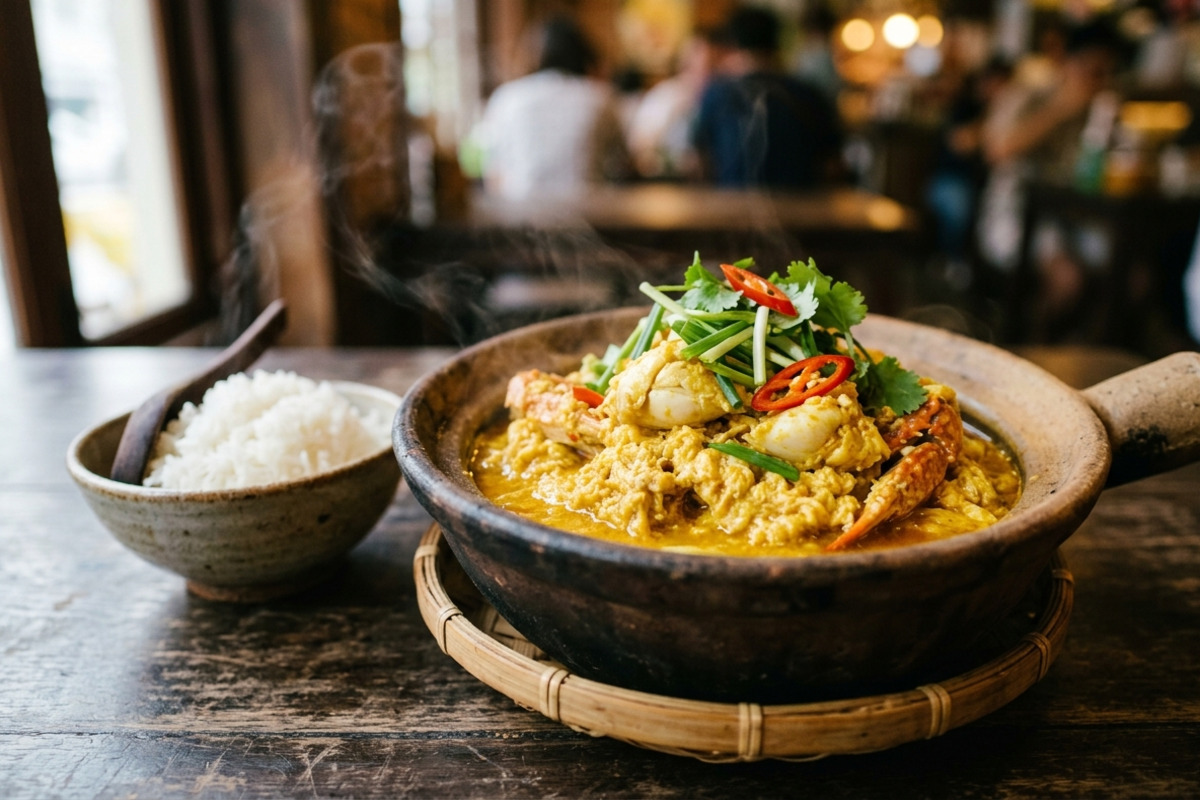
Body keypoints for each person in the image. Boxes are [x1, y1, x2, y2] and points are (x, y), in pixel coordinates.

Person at [691, 6, 844, 190]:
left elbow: (700, 163)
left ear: (734, 46)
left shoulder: (718, 95)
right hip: (801, 203)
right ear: (777, 44)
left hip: (731, 203)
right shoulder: (809, 95)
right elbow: (832, 165)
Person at [479, 15, 631, 199]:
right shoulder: (602, 98)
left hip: (520, 211)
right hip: (590, 211)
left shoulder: (506, 98)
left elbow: (493, 175)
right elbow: (623, 164)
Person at [625, 28, 725, 180]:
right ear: (686, 65)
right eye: (709, 66)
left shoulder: (721, 99)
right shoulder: (666, 98)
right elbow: (640, 147)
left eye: (717, 67)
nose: (715, 74)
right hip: (669, 185)